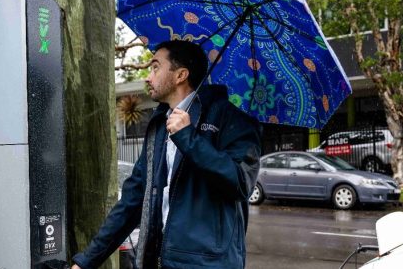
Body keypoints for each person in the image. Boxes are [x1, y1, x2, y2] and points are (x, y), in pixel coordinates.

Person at [72, 40, 262, 269]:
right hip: (161, 261)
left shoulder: (232, 120)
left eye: (155, 67)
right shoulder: (160, 125)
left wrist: (189, 138)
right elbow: (132, 201)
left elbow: (241, 183)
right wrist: (85, 262)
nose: (148, 77)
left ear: (180, 75)